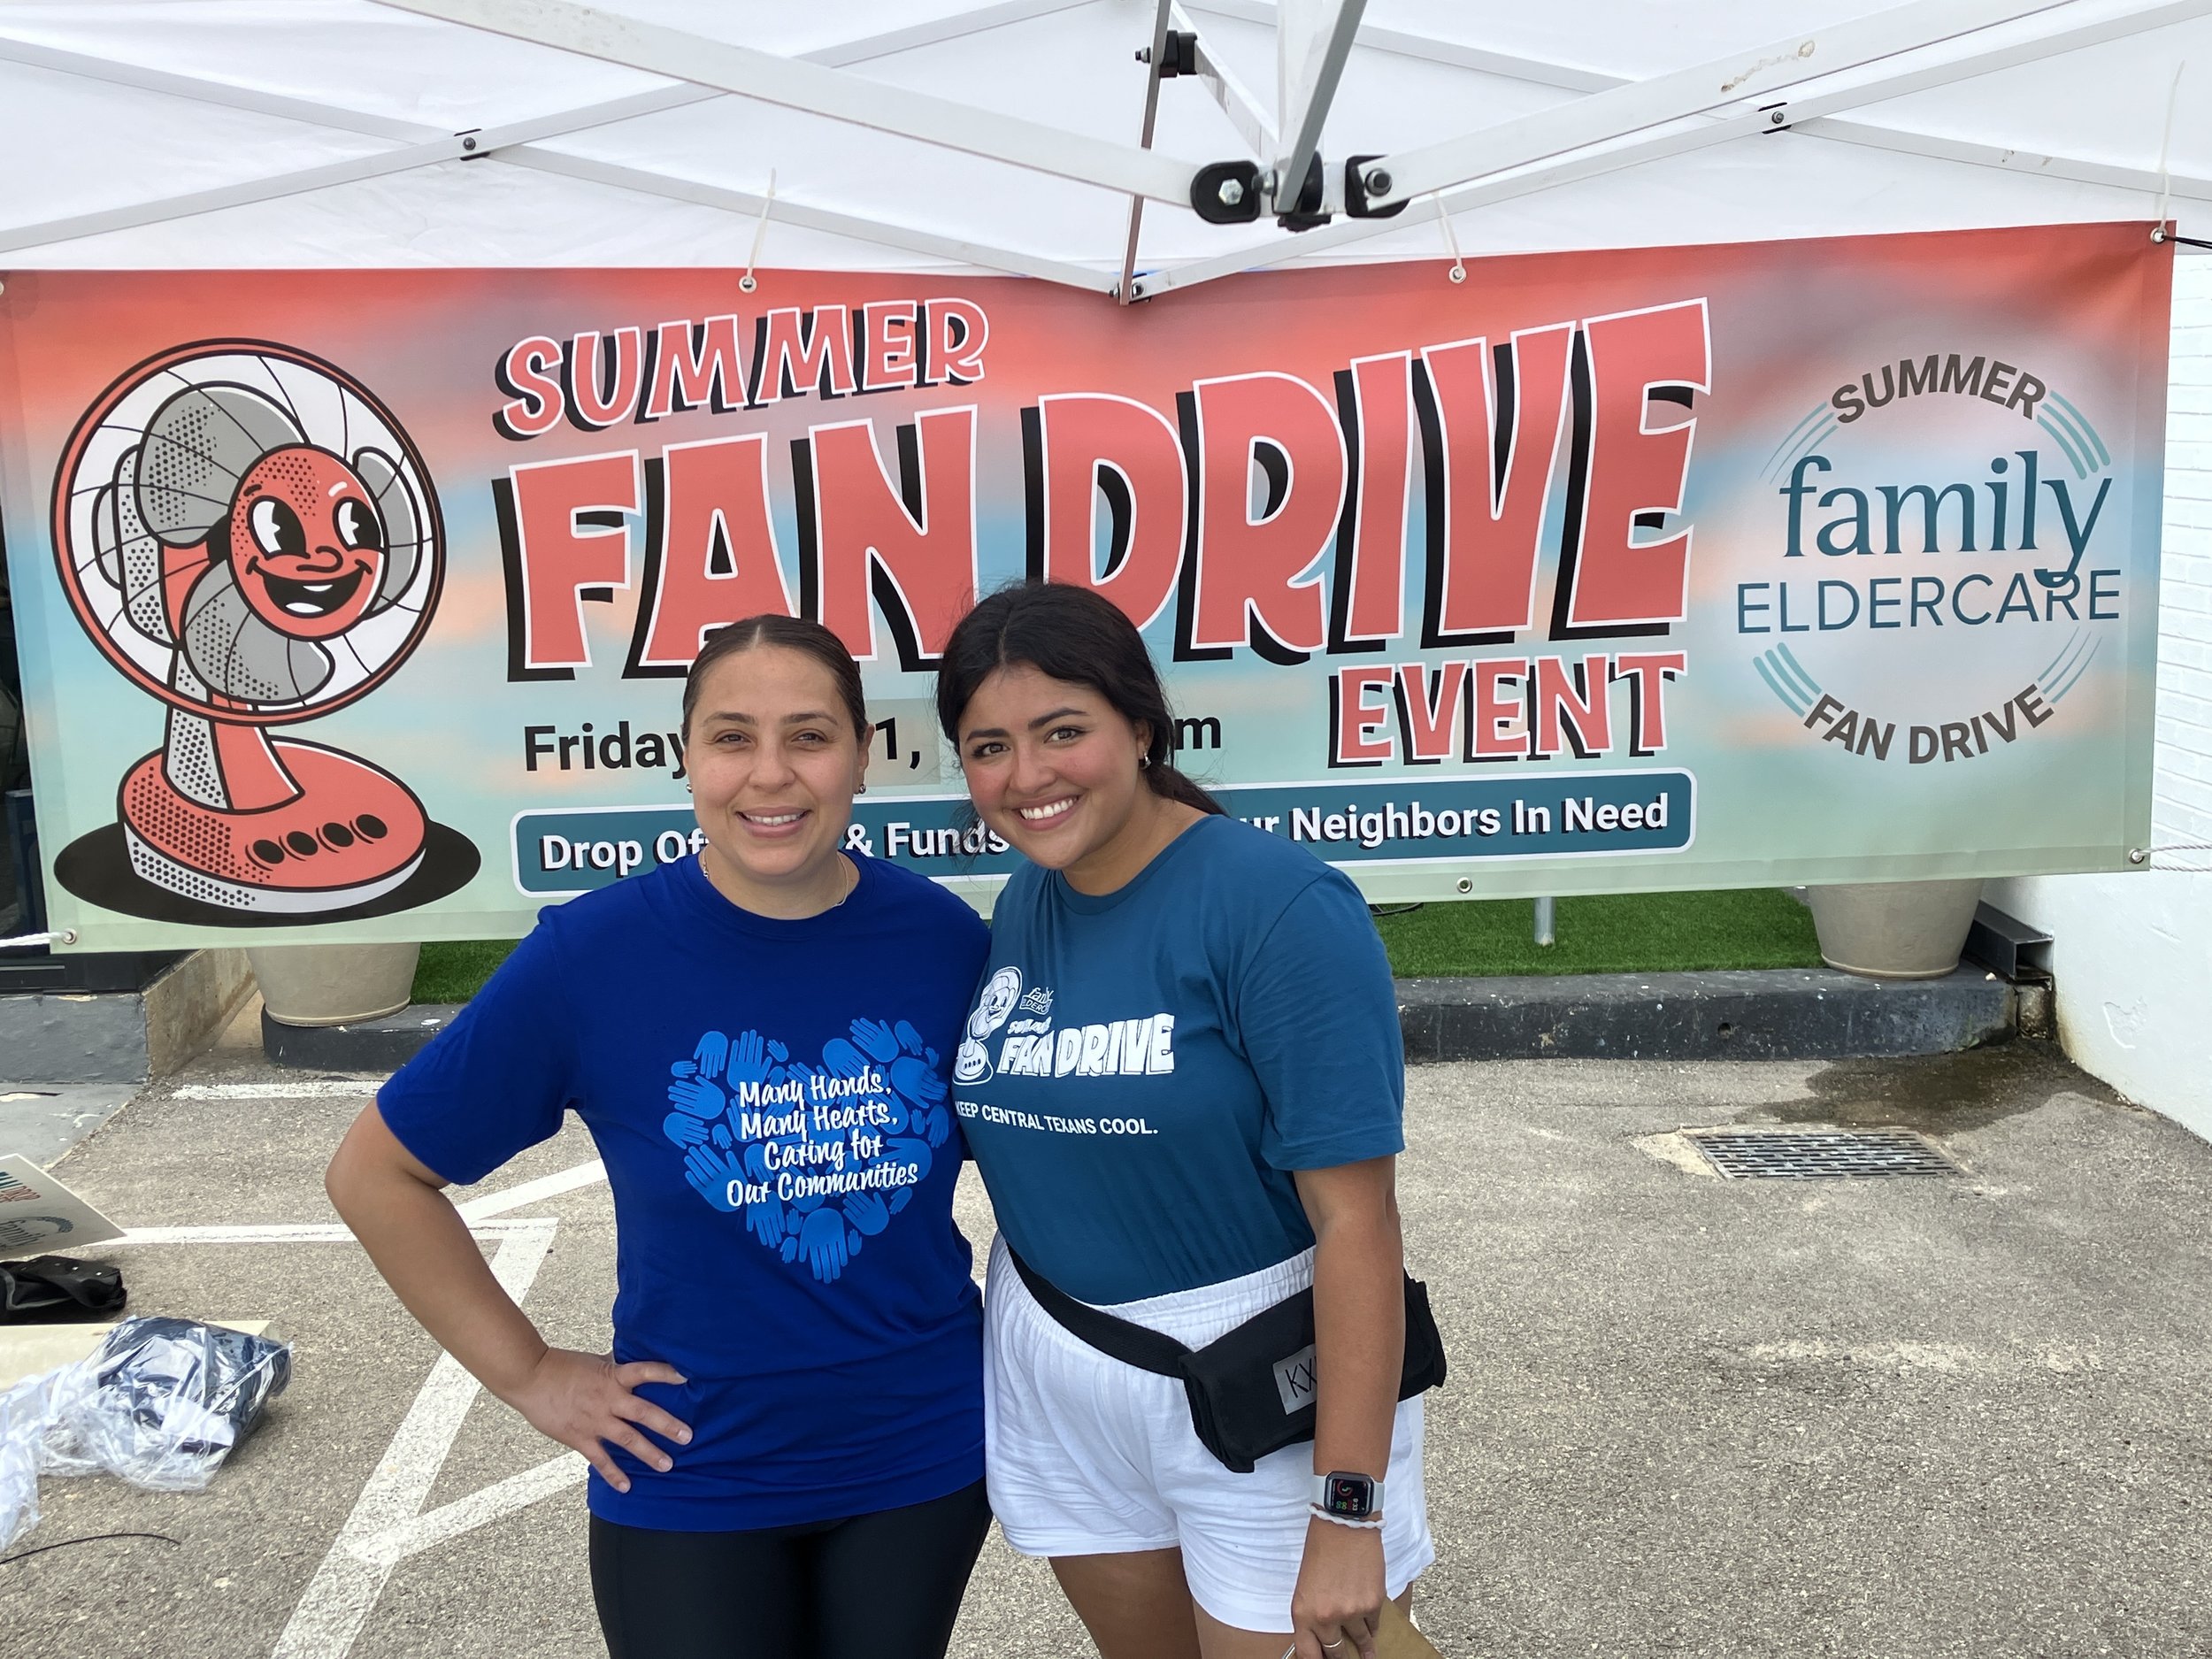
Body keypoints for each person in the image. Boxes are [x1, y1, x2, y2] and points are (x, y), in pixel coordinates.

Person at [326, 616, 993, 1659]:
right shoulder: (593, 955)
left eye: (809, 736)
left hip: (920, 1458)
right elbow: (377, 1174)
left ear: (864, 755)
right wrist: (533, 1374)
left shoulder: (947, 944)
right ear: (684, 756)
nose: (769, 775)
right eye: (732, 737)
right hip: (692, 1468)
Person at [936, 581, 1431, 1659]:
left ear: (1142, 725)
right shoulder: (1023, 906)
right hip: (1061, 1373)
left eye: (1062, 731)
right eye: (988, 747)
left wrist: (1348, 1509)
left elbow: (1359, 1227)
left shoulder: (1278, 905)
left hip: (1254, 1391)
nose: (1026, 777)